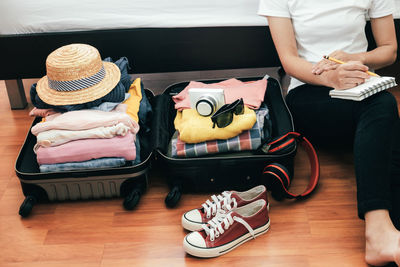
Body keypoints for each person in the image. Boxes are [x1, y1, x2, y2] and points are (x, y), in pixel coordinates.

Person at [258, 0, 400, 266]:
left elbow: (389, 51)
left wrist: (358, 58)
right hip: (310, 93)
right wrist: (330, 78)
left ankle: (388, 241)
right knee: (385, 112)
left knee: (384, 118)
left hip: (362, 87)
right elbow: (289, 61)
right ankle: (379, 231)